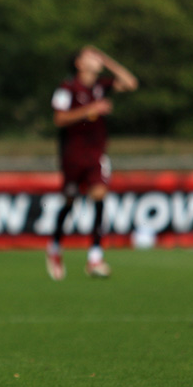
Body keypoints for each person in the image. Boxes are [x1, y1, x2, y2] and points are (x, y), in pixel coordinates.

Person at [46, 45, 138, 281]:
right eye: (91, 57)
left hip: (96, 153)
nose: (95, 60)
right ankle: (55, 247)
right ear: (78, 63)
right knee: (70, 200)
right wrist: (90, 110)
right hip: (73, 154)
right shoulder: (67, 88)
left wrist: (106, 60)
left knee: (99, 195)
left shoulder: (101, 85)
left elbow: (130, 82)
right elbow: (59, 118)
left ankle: (95, 257)